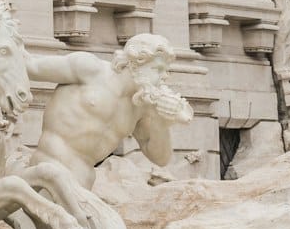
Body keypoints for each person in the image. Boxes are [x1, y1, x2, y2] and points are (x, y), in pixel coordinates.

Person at [30, 35, 193, 188]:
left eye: (166, 70)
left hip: (84, 180)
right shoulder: (90, 69)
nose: (164, 76)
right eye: (158, 69)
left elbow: (160, 158)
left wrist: (162, 122)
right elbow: (31, 66)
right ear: (135, 62)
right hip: (48, 165)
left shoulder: (141, 106)